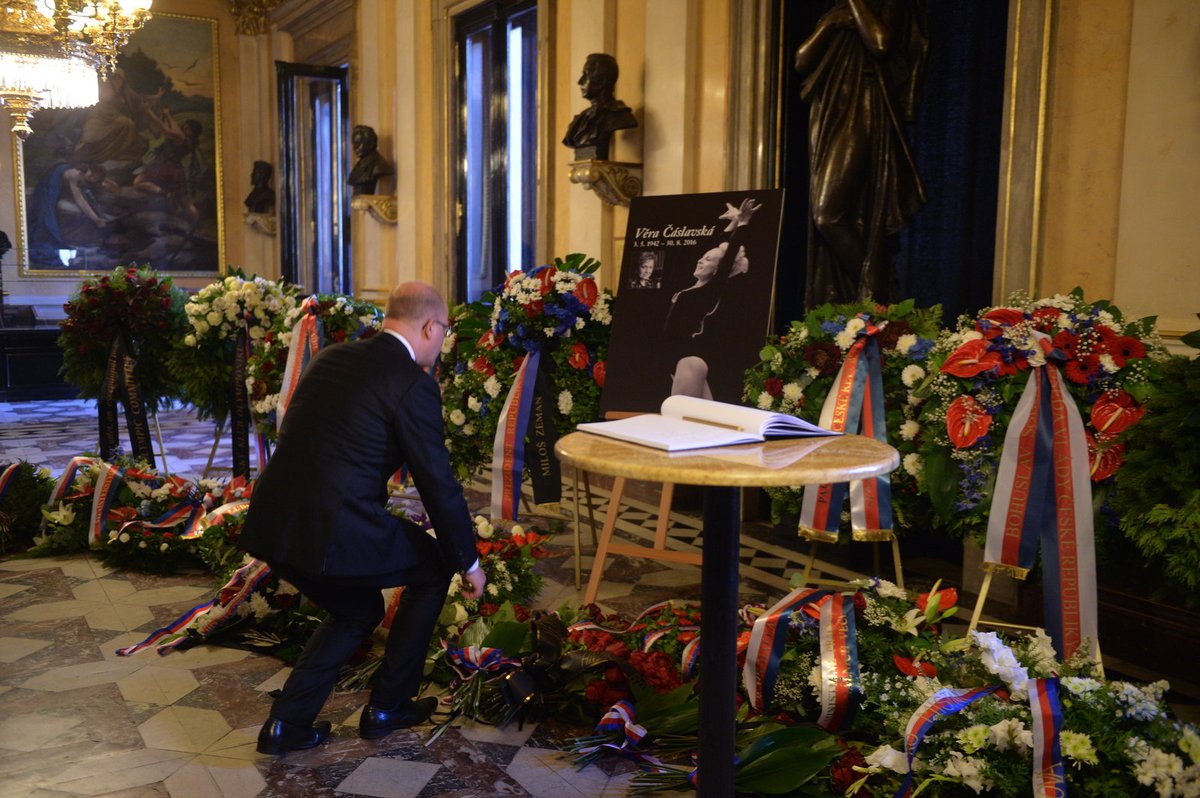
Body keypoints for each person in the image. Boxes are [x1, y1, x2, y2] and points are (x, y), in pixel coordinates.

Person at [238, 281, 486, 756]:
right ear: (430, 326)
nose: (442, 344)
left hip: (272, 520)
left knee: (358, 609)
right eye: (443, 333)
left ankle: (287, 725)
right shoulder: (413, 383)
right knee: (435, 569)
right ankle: (389, 706)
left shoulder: (332, 357)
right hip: (333, 525)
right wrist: (468, 561)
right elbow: (437, 482)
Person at [793, 0, 929, 308]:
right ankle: (866, 299)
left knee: (828, 214)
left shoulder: (885, 4)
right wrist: (830, 24)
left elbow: (881, 43)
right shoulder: (834, 12)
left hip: (864, 107)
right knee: (838, 216)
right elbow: (801, 61)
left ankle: (881, 297)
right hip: (828, 111)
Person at [661, 198, 759, 399]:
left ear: (717, 270)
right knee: (706, 422)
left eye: (708, 260)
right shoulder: (693, 287)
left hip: (689, 359)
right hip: (677, 361)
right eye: (702, 257)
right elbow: (717, 249)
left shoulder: (710, 290)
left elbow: (727, 257)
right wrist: (732, 224)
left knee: (684, 422)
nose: (700, 260)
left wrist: (743, 225)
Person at [561, 53, 638, 160]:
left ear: (602, 81)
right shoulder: (580, 120)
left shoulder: (620, 116)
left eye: (586, 75)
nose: (579, 82)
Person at [348, 125, 393, 195]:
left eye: (358, 143)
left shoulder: (378, 164)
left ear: (370, 143)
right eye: (354, 143)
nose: (355, 148)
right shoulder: (359, 164)